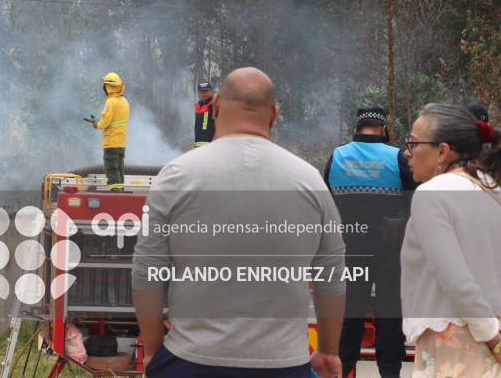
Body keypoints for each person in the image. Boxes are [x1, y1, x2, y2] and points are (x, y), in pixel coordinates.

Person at [133, 67, 346, 378]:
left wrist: (152, 348)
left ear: (215, 106)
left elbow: (146, 269)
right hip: (284, 364)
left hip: (190, 361)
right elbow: (332, 274)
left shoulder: (177, 175)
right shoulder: (309, 181)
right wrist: (327, 351)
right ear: (273, 116)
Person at [401, 103, 501, 376]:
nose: (406, 152)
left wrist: (493, 338)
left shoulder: (433, 193)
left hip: (461, 344)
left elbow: (455, 279)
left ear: (442, 151)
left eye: (413, 143)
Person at [324, 106, 418, 378]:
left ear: (356, 130)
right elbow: (416, 201)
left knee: (350, 309)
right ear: (384, 130)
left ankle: (343, 368)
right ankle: (389, 371)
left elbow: (327, 204)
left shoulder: (337, 157)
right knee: (390, 309)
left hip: (349, 248)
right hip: (392, 249)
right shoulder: (397, 157)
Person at [93, 72, 130, 192]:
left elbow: (105, 123)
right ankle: (120, 194)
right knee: (119, 171)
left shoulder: (110, 102)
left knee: (112, 172)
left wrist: (96, 124)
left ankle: (115, 197)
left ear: (108, 87)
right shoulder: (124, 101)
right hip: (121, 143)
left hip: (111, 143)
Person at [194, 80, 215, 147]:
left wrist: (215, 139)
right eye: (202, 91)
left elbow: (219, 123)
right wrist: (196, 142)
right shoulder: (198, 105)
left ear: (211, 91)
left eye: (206, 91)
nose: (204, 94)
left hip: (210, 143)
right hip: (199, 142)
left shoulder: (214, 104)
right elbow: (198, 125)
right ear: (199, 92)